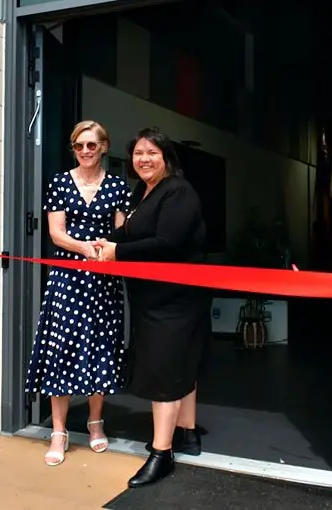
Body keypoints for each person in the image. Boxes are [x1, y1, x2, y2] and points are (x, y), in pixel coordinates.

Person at [95, 127, 211, 488]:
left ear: (167, 157)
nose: (143, 159)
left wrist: (118, 252)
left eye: (152, 153)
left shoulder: (178, 191)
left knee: (165, 372)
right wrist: (104, 243)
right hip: (153, 298)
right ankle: (187, 434)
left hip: (175, 299)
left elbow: (168, 242)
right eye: (138, 153)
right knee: (180, 365)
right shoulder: (143, 192)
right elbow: (130, 233)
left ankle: (161, 455)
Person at [24, 120, 131, 466]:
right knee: (63, 348)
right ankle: (58, 431)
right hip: (68, 278)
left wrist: (107, 249)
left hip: (103, 279)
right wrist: (83, 248)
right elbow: (56, 233)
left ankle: (95, 422)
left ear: (103, 147)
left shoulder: (117, 185)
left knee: (101, 345)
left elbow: (120, 233)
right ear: (73, 149)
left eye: (92, 145)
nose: (85, 151)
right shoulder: (59, 182)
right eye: (79, 145)